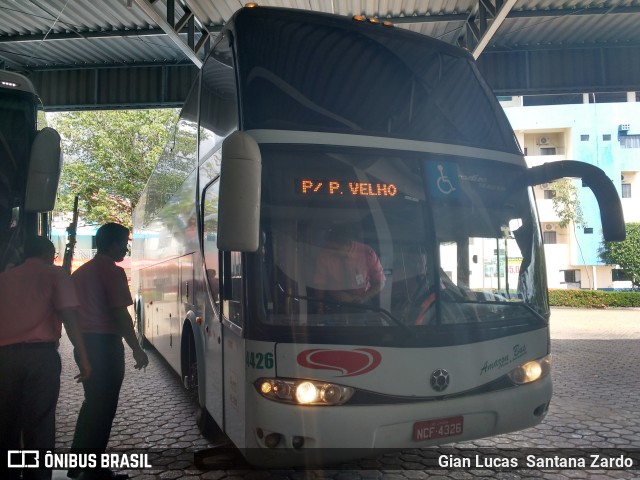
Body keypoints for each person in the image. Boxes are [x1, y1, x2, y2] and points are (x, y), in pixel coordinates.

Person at [0, 236, 91, 480]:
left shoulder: (4, 278)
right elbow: (70, 318)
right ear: (49, 254)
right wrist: (83, 357)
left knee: (6, 424)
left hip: (4, 361)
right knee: (39, 426)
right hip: (40, 359)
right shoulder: (55, 274)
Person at [68, 223, 148, 480]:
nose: (126, 247)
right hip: (105, 348)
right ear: (113, 244)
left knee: (92, 405)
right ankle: (94, 471)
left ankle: (77, 464)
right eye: (124, 242)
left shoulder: (80, 273)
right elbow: (121, 315)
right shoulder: (112, 273)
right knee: (104, 410)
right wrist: (137, 349)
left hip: (85, 346)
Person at [312, 225, 385, 311]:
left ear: (347, 245)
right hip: (335, 303)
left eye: (334, 248)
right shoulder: (325, 254)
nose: (330, 250)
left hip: (363, 302)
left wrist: (363, 298)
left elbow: (380, 282)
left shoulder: (367, 253)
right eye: (329, 246)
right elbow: (320, 284)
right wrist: (319, 308)